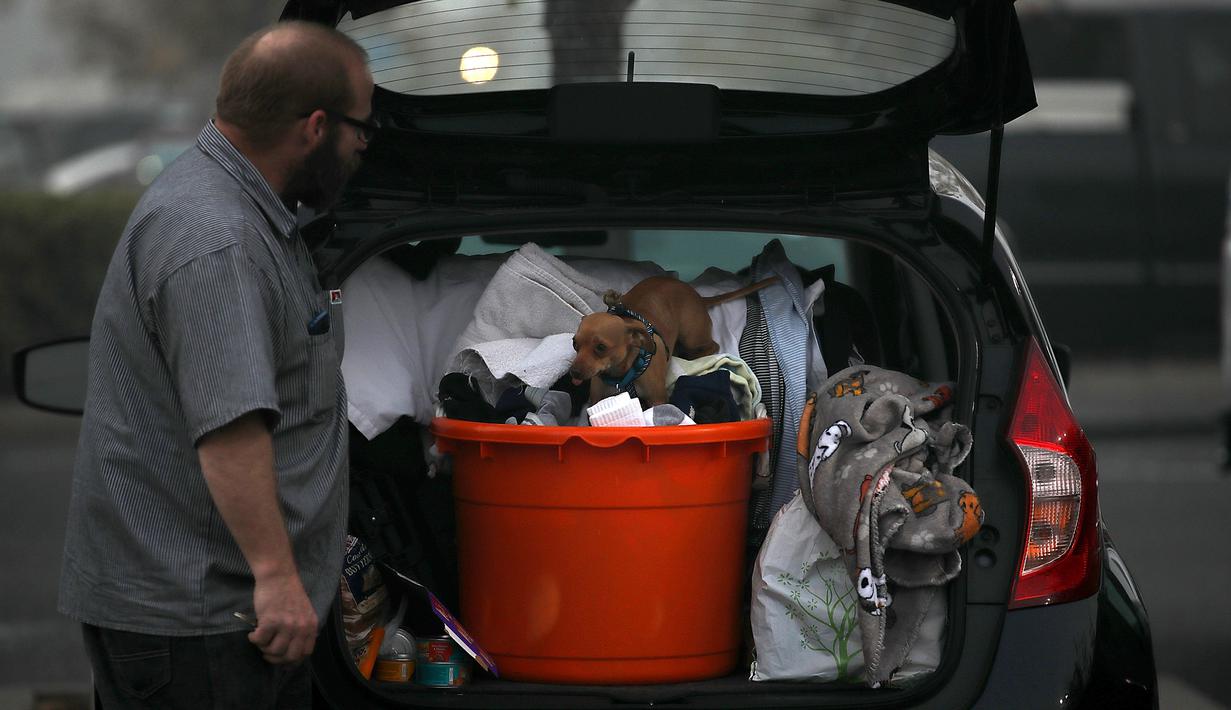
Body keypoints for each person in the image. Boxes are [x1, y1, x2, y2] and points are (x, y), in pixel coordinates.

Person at [58, 20, 375, 707]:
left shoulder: (244, 211)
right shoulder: (217, 239)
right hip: (205, 627)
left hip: (218, 617)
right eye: (362, 128)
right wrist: (277, 578)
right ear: (315, 127)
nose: (363, 146)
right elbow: (230, 430)